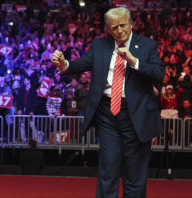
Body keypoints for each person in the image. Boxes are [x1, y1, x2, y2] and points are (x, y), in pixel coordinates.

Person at [52, 7, 165, 198]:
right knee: (108, 168)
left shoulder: (147, 46)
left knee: (134, 173)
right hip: (107, 114)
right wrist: (65, 64)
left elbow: (159, 73)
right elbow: (82, 63)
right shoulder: (99, 45)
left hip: (136, 114)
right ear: (108, 29)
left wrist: (134, 61)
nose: (119, 30)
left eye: (123, 25)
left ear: (131, 24)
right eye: (114, 27)